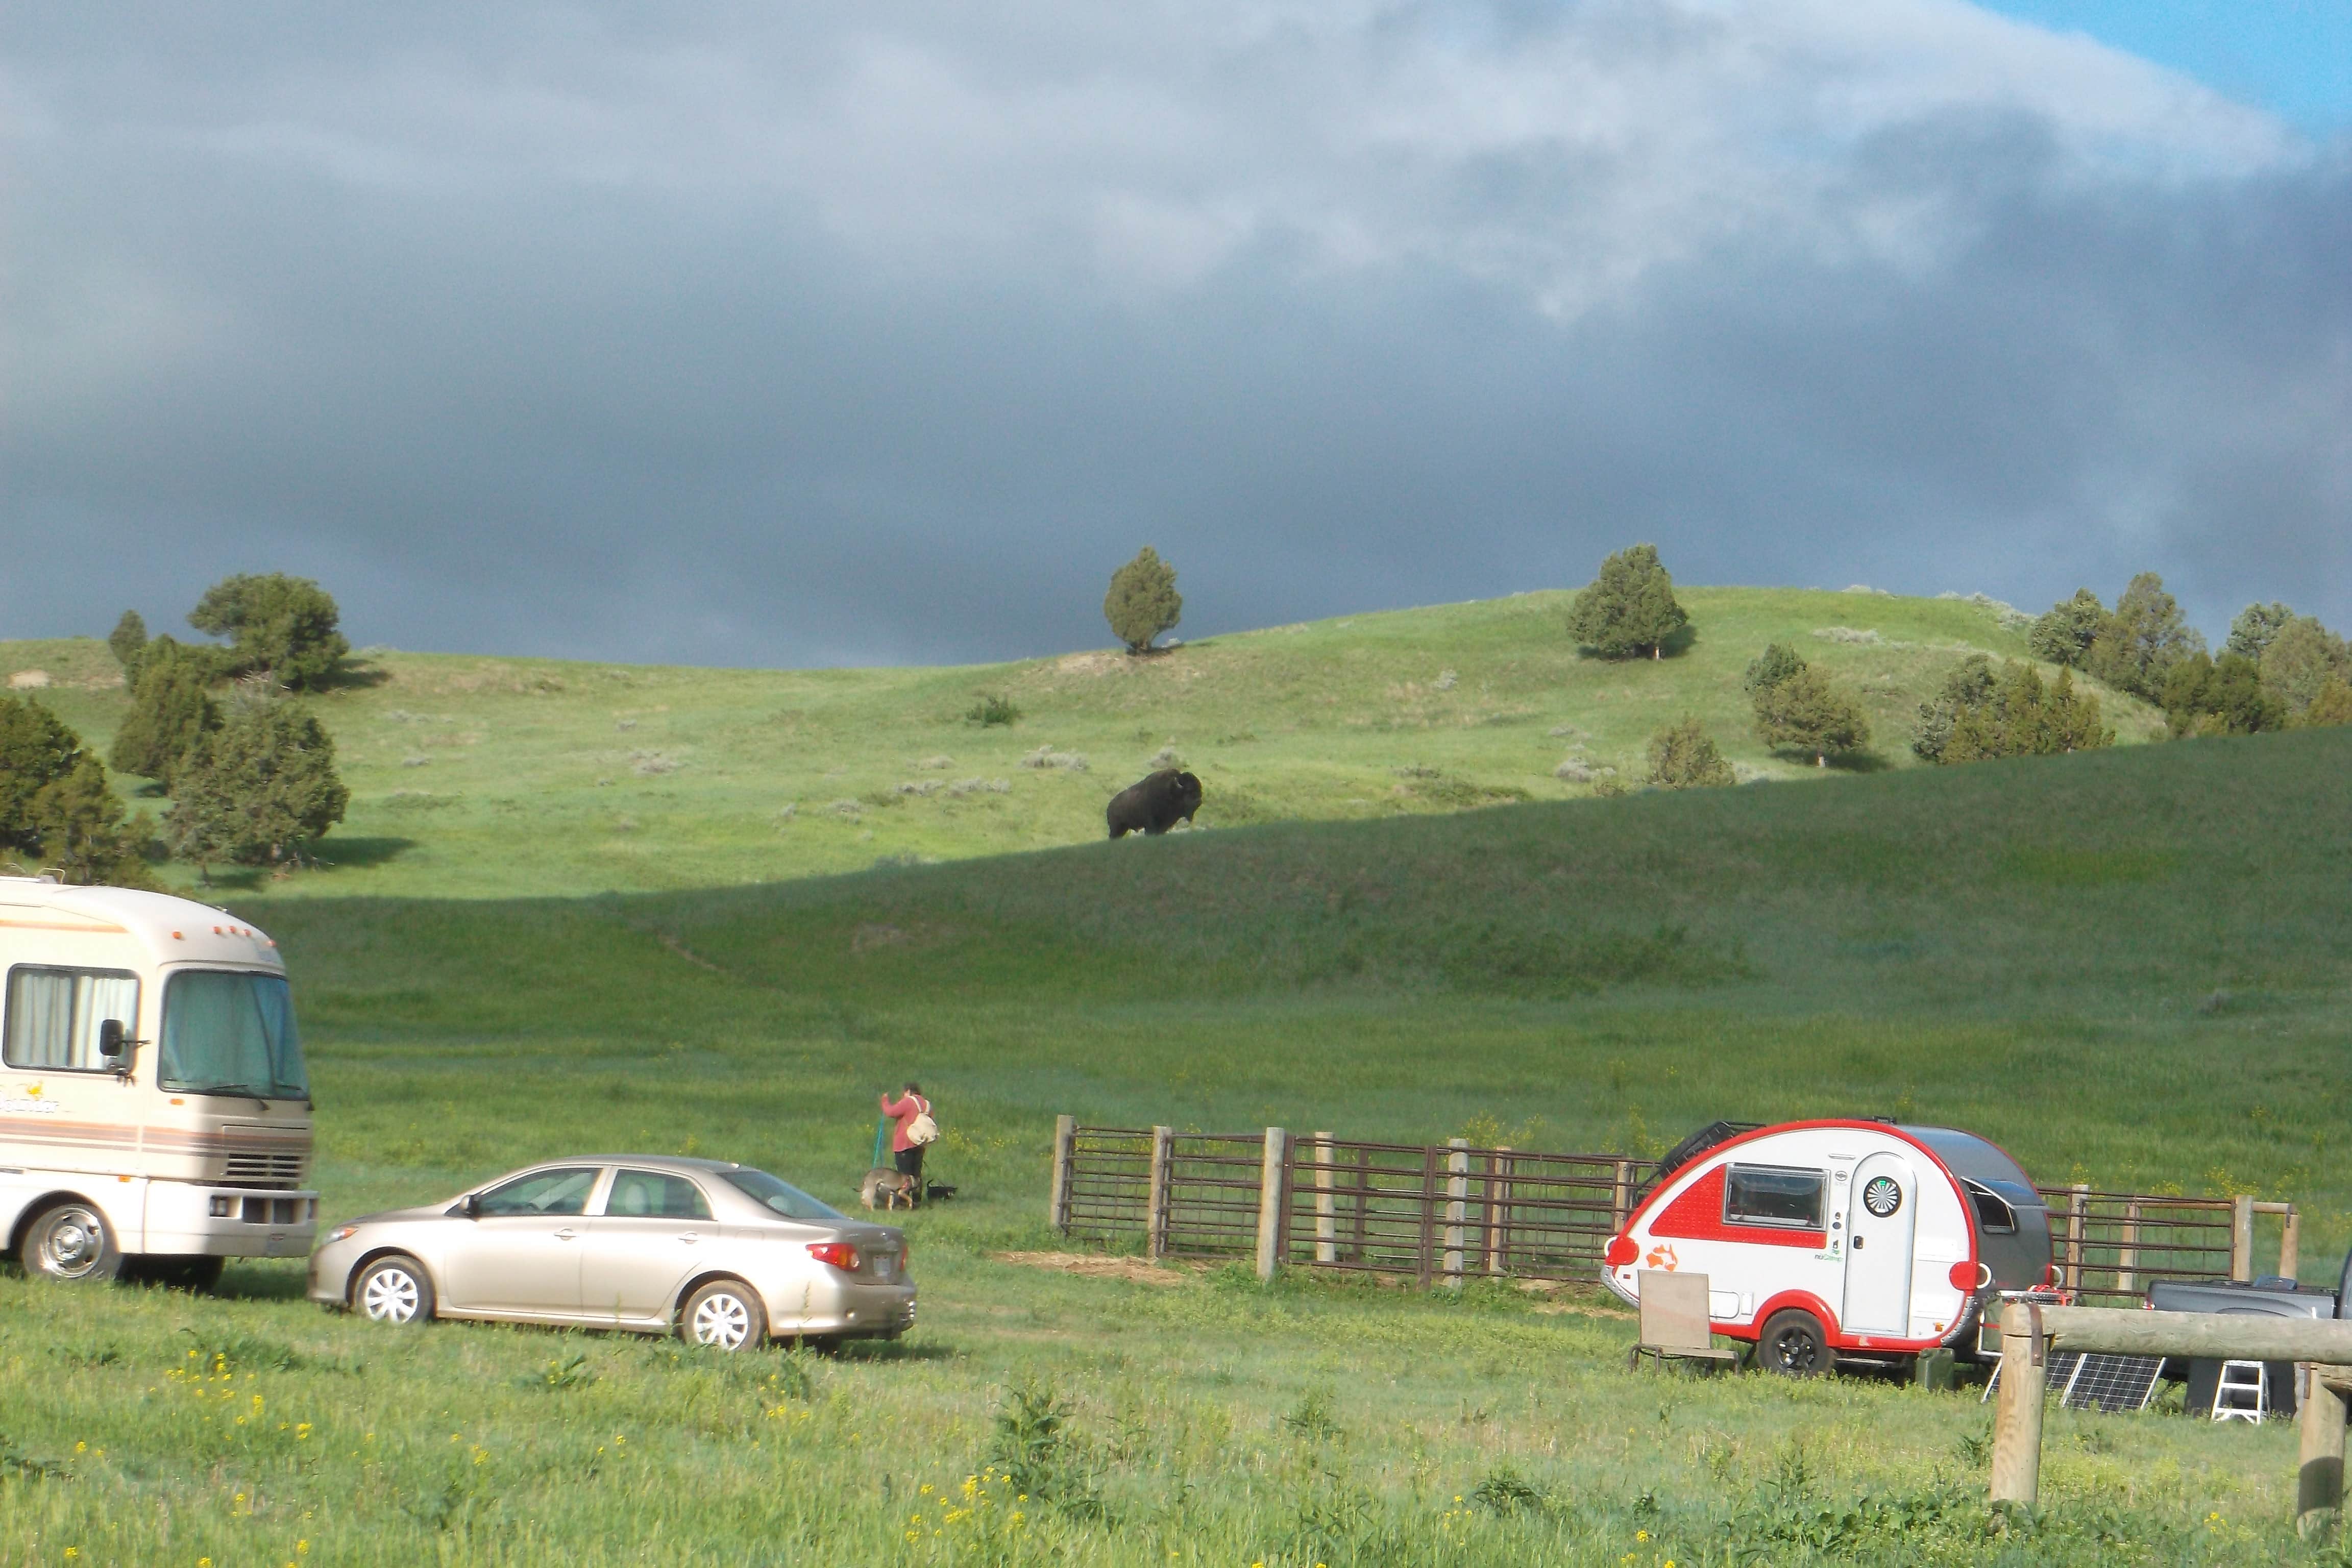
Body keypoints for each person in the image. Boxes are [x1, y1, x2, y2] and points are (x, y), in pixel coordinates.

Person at [879, 1082, 933, 1201]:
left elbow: (891, 1112)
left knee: (904, 1176)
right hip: (919, 1144)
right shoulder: (927, 1104)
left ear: (908, 1091)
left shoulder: (909, 1101)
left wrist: (884, 1101)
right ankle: (917, 1200)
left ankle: (904, 1201)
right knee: (916, 1174)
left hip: (904, 1144)